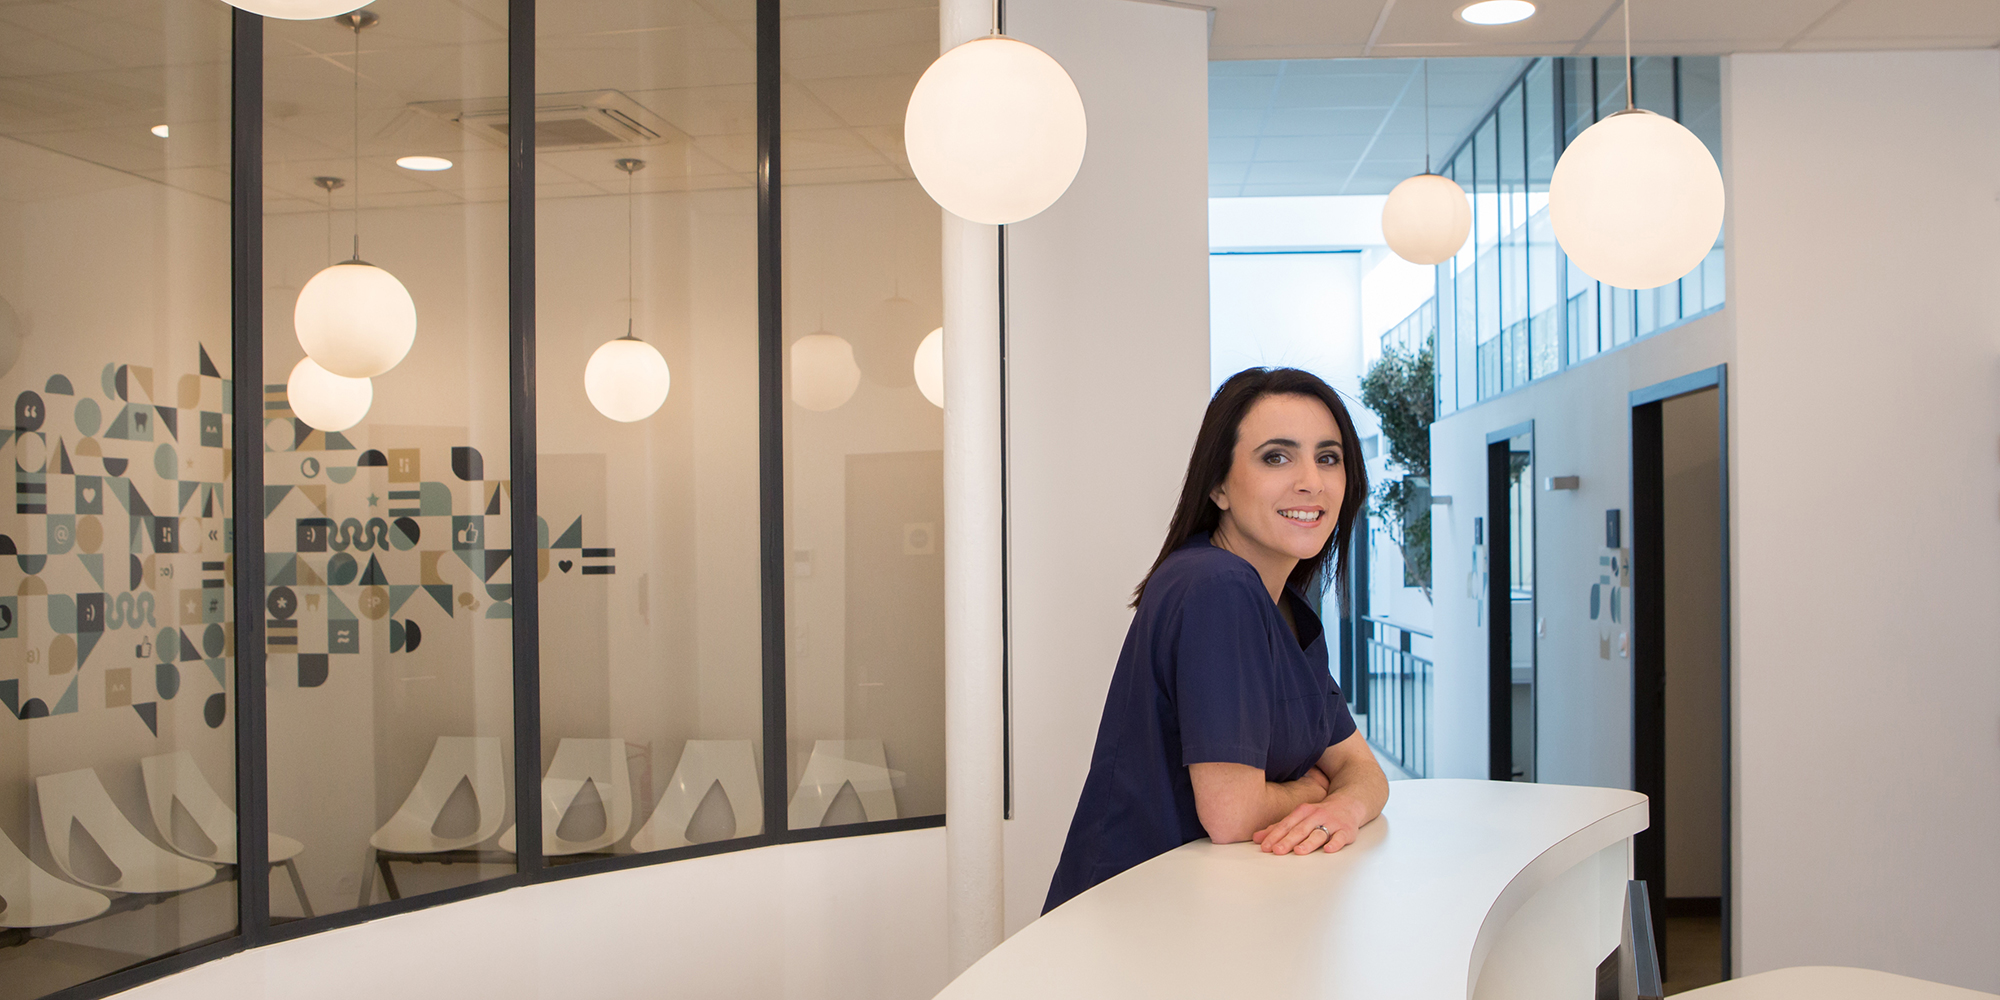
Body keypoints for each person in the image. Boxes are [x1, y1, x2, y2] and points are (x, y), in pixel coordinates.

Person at [1043, 367, 1391, 913]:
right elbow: (1232, 814)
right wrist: (1310, 790)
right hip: (1138, 920)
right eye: (1276, 457)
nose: (1312, 481)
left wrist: (1340, 809)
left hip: (1211, 910)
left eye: (1329, 457)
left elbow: (1364, 771)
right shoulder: (1216, 586)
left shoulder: (1284, 605)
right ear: (1218, 486)